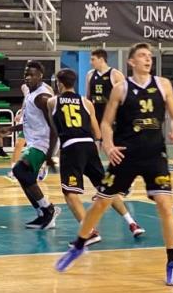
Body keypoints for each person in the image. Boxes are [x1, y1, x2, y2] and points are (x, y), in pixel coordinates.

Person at [56, 43, 173, 286]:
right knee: (101, 202)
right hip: (125, 155)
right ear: (131, 61)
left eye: (149, 56)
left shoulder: (163, 84)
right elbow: (105, 123)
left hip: (154, 155)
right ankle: (79, 244)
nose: (148, 59)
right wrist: (108, 145)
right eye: (142, 56)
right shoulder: (121, 88)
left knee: (165, 205)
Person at [48, 68, 145, 245]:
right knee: (106, 189)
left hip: (71, 147)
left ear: (59, 84)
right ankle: (132, 223)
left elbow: (54, 129)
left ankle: (89, 232)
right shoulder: (86, 103)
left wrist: (53, 152)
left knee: (70, 193)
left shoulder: (52, 102)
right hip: (89, 145)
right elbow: (98, 132)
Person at [12, 61, 60, 229]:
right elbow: (30, 121)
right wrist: (8, 129)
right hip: (36, 142)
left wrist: (49, 155)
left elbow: (54, 126)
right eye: (26, 74)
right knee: (26, 177)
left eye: (32, 74)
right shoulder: (30, 94)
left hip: (44, 143)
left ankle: (48, 208)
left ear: (40, 76)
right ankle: (42, 213)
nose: (28, 77)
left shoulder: (42, 97)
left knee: (19, 170)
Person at [86, 49, 125, 125]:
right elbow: (88, 96)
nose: (91, 62)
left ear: (101, 59)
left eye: (93, 59)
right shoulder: (90, 74)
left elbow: (124, 97)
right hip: (95, 116)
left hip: (110, 117)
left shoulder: (116, 74)